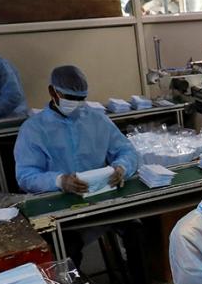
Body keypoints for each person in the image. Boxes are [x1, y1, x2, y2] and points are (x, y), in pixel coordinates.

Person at [13, 64, 138, 194]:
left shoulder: (98, 121)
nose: (76, 103)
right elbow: (26, 176)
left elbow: (127, 151)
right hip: (57, 200)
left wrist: (122, 167)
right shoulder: (33, 129)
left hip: (98, 194)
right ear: (52, 92)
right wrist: (59, 181)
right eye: (70, 98)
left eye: (81, 99)